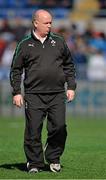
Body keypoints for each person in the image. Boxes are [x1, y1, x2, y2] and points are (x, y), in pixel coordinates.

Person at [10, 9, 76, 173]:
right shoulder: (24, 44)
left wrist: (71, 86)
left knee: (59, 127)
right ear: (35, 23)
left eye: (51, 22)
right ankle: (34, 163)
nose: (49, 26)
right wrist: (17, 92)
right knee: (33, 130)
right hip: (33, 95)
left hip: (57, 94)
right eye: (46, 23)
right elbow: (15, 70)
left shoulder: (59, 41)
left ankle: (53, 158)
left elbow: (69, 65)